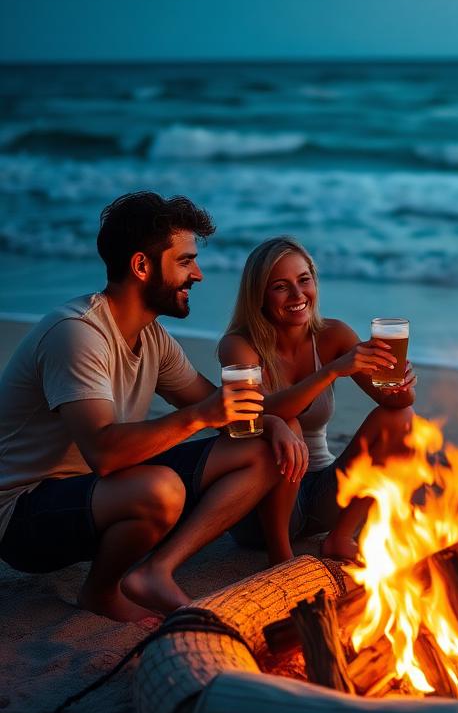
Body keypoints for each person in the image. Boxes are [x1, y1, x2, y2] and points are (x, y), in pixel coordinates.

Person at [0, 192, 302, 620]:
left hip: (101, 495)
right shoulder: (78, 334)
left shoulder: (154, 339)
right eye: (184, 261)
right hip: (23, 515)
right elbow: (104, 453)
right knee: (160, 489)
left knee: (260, 447)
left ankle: (158, 570)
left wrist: (274, 422)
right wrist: (204, 414)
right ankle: (101, 592)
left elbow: (215, 407)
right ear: (142, 266)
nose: (197, 274)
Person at [217, 237, 416, 565]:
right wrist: (332, 371)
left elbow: (395, 405)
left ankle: (340, 538)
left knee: (402, 419)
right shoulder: (238, 346)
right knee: (287, 424)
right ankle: (281, 558)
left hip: (321, 495)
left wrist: (403, 385)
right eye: (281, 286)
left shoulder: (333, 335)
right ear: (259, 295)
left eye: (304, 280)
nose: (297, 296)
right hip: (260, 512)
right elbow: (259, 415)